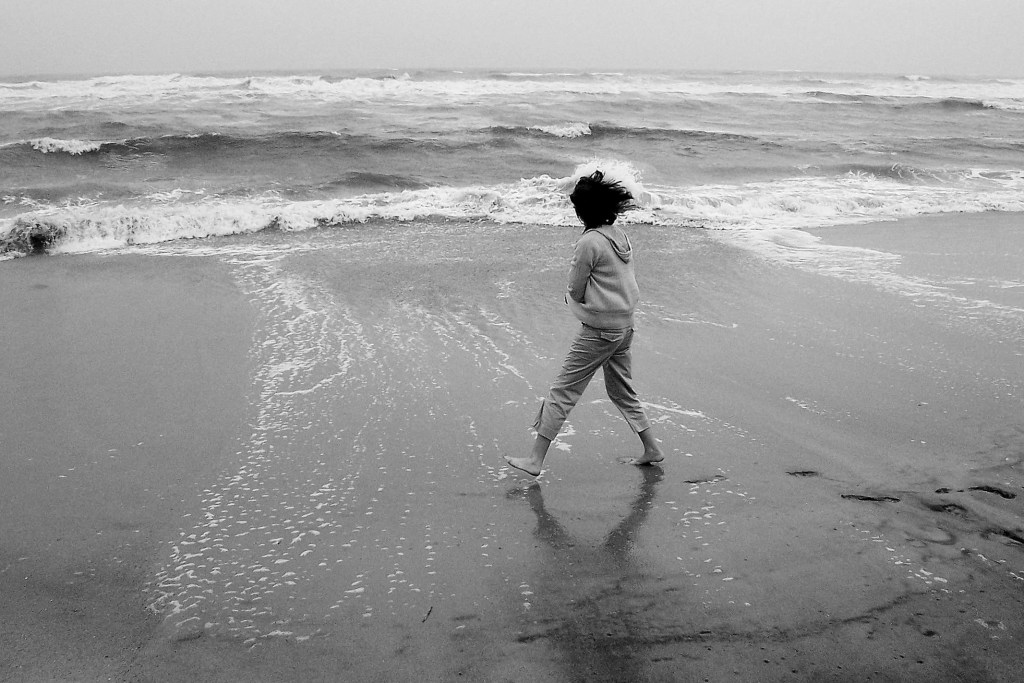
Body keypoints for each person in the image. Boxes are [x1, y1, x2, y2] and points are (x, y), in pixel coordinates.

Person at [506, 170, 664, 476]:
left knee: (563, 390)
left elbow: (575, 287)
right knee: (622, 391)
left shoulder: (589, 242)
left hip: (601, 331)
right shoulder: (619, 234)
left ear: (583, 211)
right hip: (625, 326)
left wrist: (574, 301)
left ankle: (535, 460)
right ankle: (652, 448)